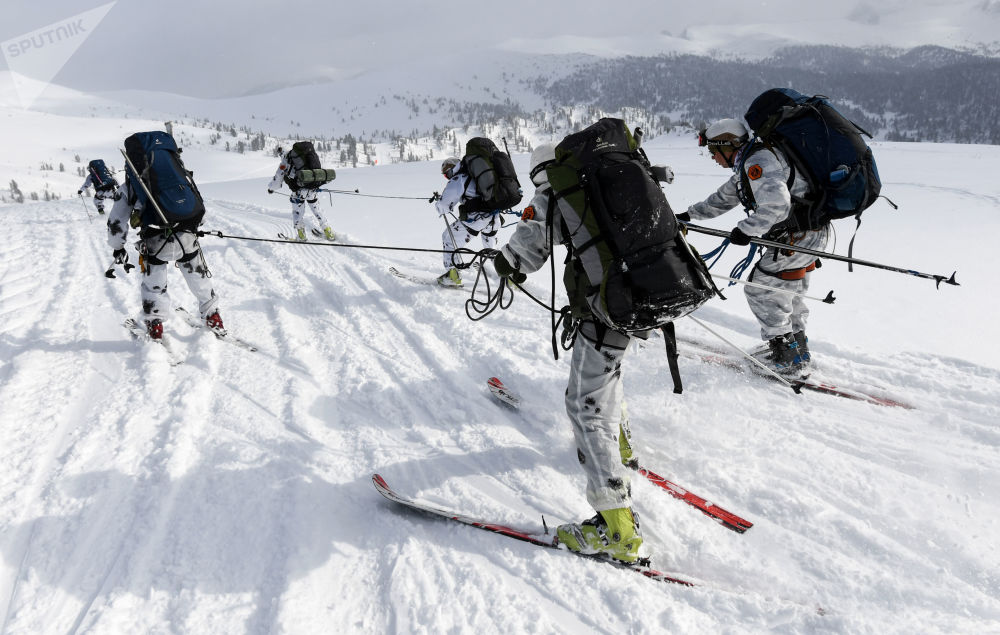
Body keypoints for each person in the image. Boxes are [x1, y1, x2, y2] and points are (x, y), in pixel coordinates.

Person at [492, 143, 643, 564]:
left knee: (584, 406)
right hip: (639, 299)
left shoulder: (557, 190)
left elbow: (528, 247)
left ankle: (616, 527)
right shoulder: (609, 181)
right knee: (606, 376)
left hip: (605, 310)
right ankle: (623, 446)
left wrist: (503, 264)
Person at [679, 118, 829, 374]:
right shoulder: (749, 163)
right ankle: (797, 347)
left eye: (714, 151)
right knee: (788, 290)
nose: (713, 158)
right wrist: (689, 215)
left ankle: (785, 357)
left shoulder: (757, 162)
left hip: (796, 237)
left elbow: (777, 205)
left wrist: (746, 230)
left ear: (728, 146)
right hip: (809, 233)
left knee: (762, 291)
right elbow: (723, 198)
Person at [107, 139, 224, 341]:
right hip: (187, 236)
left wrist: (118, 247)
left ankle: (155, 324)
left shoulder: (131, 186)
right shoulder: (181, 175)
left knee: (154, 284)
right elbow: (198, 209)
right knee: (199, 276)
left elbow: (116, 222)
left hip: (155, 243)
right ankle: (213, 316)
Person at [434, 156, 502, 287]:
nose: (447, 176)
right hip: (494, 217)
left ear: (454, 167)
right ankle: (508, 275)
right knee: (490, 247)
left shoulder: (459, 179)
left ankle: (452, 274)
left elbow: (444, 206)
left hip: (475, 220)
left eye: (447, 172)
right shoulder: (477, 176)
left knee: (448, 238)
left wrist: (439, 203)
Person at [267, 145, 336, 241]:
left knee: (297, 212)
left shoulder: (286, 160)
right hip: (312, 188)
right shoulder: (305, 157)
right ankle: (328, 232)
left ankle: (301, 236)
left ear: (282, 153)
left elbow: (278, 177)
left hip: (298, 192)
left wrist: (271, 188)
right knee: (317, 210)